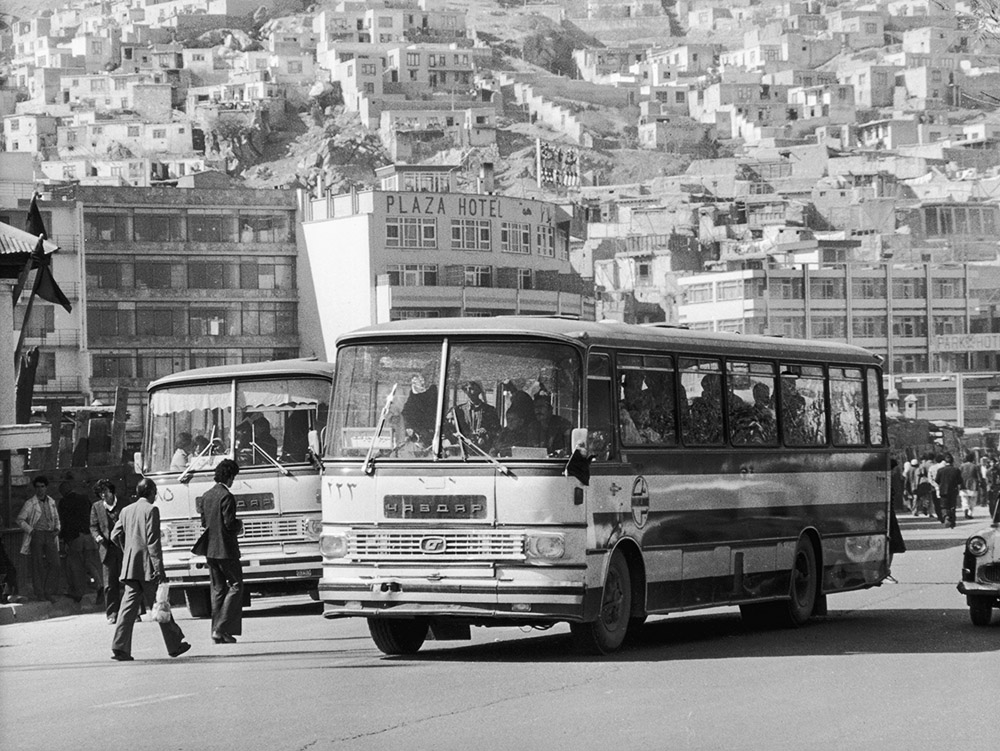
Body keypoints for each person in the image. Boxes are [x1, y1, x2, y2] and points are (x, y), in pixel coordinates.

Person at [110, 478, 190, 661]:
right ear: (151, 492)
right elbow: (153, 542)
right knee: (160, 604)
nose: (156, 496)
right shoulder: (151, 510)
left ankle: (120, 647)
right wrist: (159, 570)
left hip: (130, 566)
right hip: (147, 567)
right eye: (155, 492)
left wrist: (128, 550)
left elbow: (115, 535)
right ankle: (175, 644)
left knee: (127, 609)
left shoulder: (126, 510)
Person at [200, 458, 243, 644]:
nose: (233, 481)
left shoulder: (206, 496)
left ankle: (217, 632)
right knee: (236, 586)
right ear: (229, 476)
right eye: (233, 477)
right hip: (226, 550)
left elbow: (204, 523)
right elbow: (229, 524)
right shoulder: (227, 496)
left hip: (210, 550)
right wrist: (239, 525)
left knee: (217, 590)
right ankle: (221, 628)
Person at [16, 476, 61, 602]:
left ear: (46, 487)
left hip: (50, 534)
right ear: (35, 488)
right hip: (37, 535)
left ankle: (48, 591)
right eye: (38, 487)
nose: (40, 489)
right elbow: (20, 519)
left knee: (55, 563)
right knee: (38, 564)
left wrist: (57, 529)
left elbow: (56, 518)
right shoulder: (30, 503)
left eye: (42, 486)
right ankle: (40, 593)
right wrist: (31, 531)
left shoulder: (51, 501)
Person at [58, 479, 102, 604]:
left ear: (63, 491)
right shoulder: (84, 498)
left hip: (75, 537)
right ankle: (100, 586)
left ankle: (78, 592)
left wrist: (64, 539)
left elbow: (64, 522)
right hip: (88, 535)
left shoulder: (64, 502)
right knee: (90, 563)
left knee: (75, 566)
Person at [90, 479, 124, 623]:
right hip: (107, 549)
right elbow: (93, 526)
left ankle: (136, 613)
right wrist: (97, 536)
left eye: (105, 491)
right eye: (100, 493)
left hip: (123, 548)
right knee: (109, 584)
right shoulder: (96, 507)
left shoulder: (123, 503)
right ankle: (112, 614)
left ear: (112, 491)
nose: (103, 495)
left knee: (129, 582)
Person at [455, 381, 501, 452]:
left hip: (485, 451)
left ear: (479, 390)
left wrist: (486, 432)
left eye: (471, 388)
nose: (469, 391)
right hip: (464, 450)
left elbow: (497, 431)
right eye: (465, 389)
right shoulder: (459, 410)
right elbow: (452, 430)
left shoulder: (490, 410)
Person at [401, 374, 438, 448]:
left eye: (422, 380)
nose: (421, 383)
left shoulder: (431, 395)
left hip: (429, 437)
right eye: (415, 381)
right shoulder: (410, 403)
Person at [534, 392, 573, 456]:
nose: (538, 410)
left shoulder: (563, 425)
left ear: (550, 409)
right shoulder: (532, 427)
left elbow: (568, 450)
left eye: (542, 406)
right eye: (536, 407)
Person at [935, 453, 964, 529]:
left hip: (943, 491)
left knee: (944, 505)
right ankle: (952, 521)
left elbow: (937, 480)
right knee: (952, 506)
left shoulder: (940, 470)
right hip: (953, 490)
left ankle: (946, 515)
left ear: (944, 461)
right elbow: (960, 481)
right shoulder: (956, 470)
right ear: (952, 461)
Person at [959, 452, 981, 520]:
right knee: (972, 500)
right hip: (973, 485)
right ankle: (970, 513)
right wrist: (980, 483)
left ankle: (965, 509)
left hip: (963, 484)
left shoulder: (962, 466)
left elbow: (959, 475)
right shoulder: (975, 466)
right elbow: (979, 476)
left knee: (964, 499)